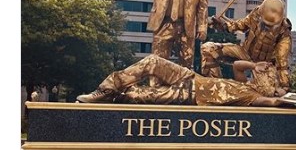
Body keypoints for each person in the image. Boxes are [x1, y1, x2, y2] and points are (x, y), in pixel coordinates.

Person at [76, 54, 284, 107]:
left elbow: (273, 102)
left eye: (267, 72)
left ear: (269, 85)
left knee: (136, 96)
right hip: (191, 78)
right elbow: (238, 66)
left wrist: (287, 97)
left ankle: (113, 99)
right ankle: (106, 90)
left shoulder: (253, 98)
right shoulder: (245, 84)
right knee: (153, 61)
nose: (265, 69)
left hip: (190, 95)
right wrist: (254, 65)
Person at [201, 0, 292, 92]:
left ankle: (245, 92)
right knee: (208, 49)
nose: (267, 27)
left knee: (268, 91)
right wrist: (224, 25)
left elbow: (282, 62)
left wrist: (285, 85)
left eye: (270, 26)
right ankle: (215, 86)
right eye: (265, 23)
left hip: (264, 64)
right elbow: (241, 25)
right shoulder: (256, 14)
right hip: (244, 52)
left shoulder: (284, 33)